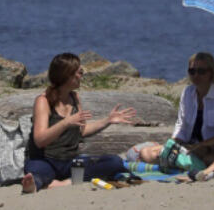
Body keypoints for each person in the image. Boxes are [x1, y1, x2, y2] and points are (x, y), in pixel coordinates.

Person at [21, 53, 137, 193]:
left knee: (114, 162)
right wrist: (66, 122)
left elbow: (82, 131)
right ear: (66, 75)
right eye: (79, 72)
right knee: (37, 171)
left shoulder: (74, 97)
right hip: (45, 160)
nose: (82, 75)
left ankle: (62, 183)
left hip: (70, 161)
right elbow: (40, 140)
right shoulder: (43, 101)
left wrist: (107, 121)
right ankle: (36, 183)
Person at [122, 51, 214, 169]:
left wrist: (204, 145)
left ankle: (182, 163)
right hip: (190, 146)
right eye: (192, 71)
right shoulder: (188, 93)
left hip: (213, 148)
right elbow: (181, 126)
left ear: (211, 73)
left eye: (201, 71)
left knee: (208, 160)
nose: (196, 75)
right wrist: (172, 145)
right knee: (146, 153)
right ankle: (182, 162)